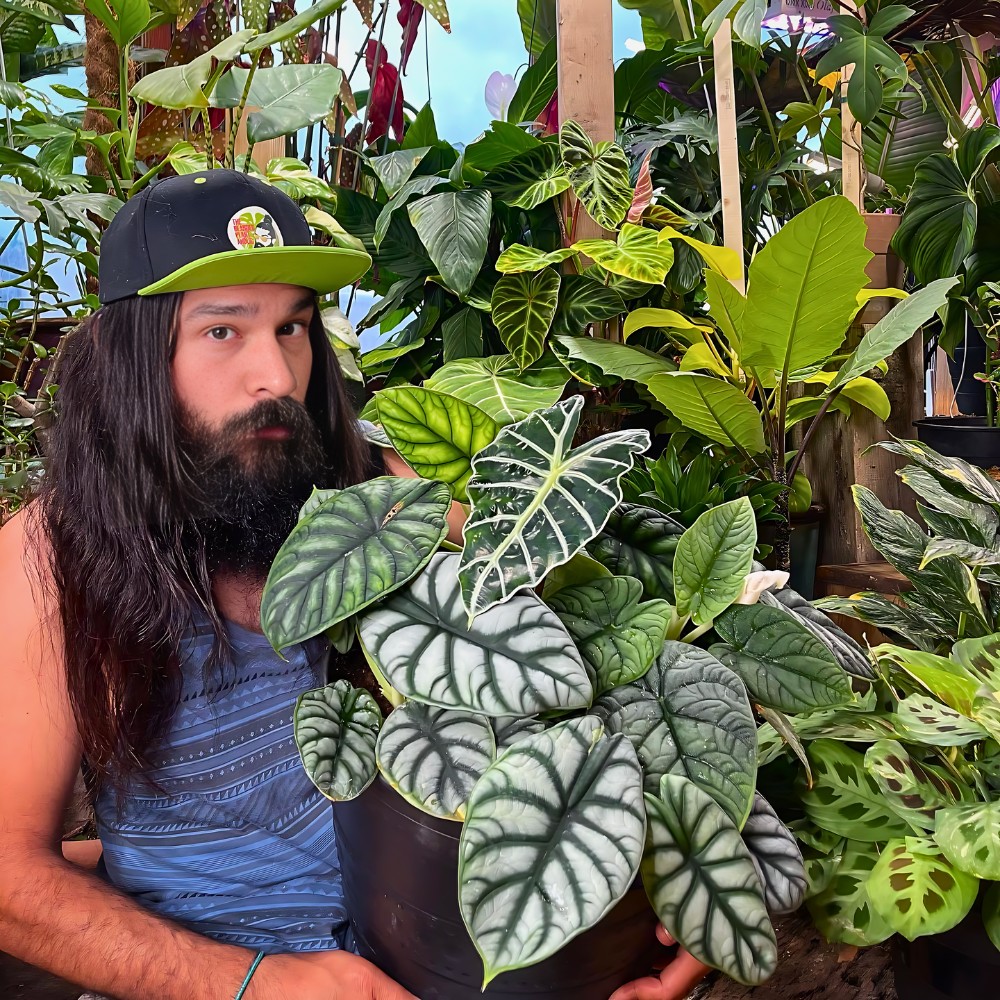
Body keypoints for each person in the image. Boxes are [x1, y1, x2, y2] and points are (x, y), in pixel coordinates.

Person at [0, 169, 709, 1000]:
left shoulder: (378, 494)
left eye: (294, 328)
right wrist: (260, 985)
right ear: (133, 361)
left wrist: (663, 897)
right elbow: (11, 880)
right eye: (223, 332)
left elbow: (582, 649)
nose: (274, 374)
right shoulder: (57, 558)